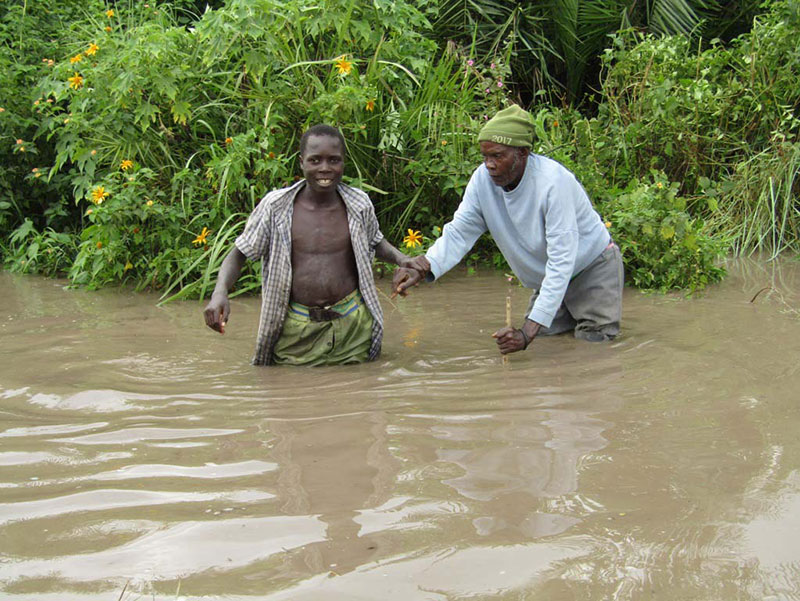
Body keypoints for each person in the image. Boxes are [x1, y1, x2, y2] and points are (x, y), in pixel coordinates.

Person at [393, 104, 624, 354]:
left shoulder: (553, 184)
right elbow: (460, 231)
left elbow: (562, 261)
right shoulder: (483, 181)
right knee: (546, 344)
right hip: (551, 278)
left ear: (523, 153)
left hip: (592, 268)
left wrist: (526, 333)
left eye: (498, 156)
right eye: (485, 157)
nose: (489, 165)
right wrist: (425, 266)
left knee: (595, 347)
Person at [204, 124, 415, 366]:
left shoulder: (359, 204)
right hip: (297, 331)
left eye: (333, 160)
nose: (325, 168)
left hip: (353, 326)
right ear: (302, 162)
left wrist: (402, 259)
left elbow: (375, 242)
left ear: (343, 163)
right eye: (315, 160)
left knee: (361, 396)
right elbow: (240, 253)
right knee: (289, 395)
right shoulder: (276, 207)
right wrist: (220, 292)